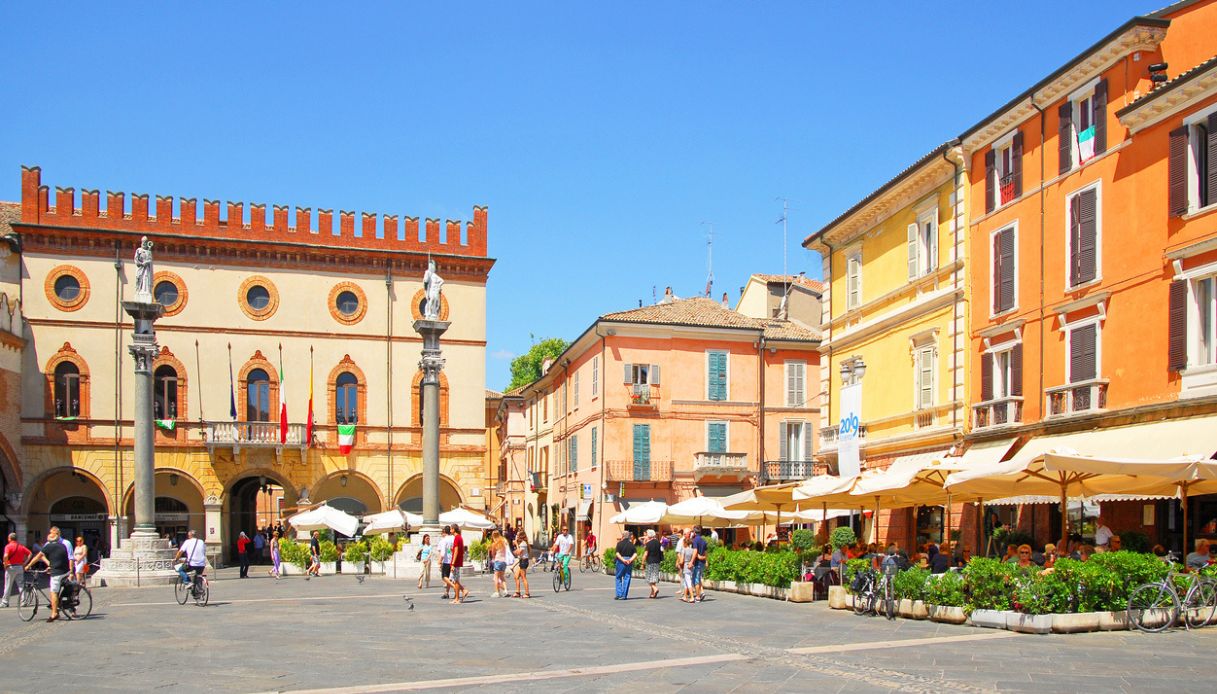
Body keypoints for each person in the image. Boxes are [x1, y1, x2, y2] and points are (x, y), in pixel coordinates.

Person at [24, 526, 74, 622]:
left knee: (53, 592)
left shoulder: (64, 543)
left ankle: (54, 613)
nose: (49, 534)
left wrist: (28, 565)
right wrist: (50, 565)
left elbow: (39, 556)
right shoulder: (61, 545)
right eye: (50, 532)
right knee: (60, 589)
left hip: (58, 572)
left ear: (57, 534)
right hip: (63, 570)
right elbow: (53, 557)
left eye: (52, 533)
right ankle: (58, 605)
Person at [2, 533, 32, 608]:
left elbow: (5, 556)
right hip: (19, 567)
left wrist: (5, 564)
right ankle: (24, 601)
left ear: (9, 538)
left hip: (11, 567)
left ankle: (5, 602)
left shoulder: (8, 546)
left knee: (8, 585)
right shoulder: (21, 546)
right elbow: (30, 554)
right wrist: (25, 563)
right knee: (21, 585)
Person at [613, 531, 636, 600]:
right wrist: (630, 560)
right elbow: (635, 554)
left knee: (618, 577)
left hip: (621, 561)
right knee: (627, 577)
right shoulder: (631, 544)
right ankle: (624, 595)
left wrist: (623, 560)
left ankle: (619, 594)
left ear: (622, 536)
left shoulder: (619, 544)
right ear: (629, 536)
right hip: (629, 561)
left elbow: (617, 554)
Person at [449, 523, 468, 604]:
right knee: (455, 580)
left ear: (453, 529)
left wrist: (453, 563)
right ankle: (463, 591)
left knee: (456, 581)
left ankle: (457, 598)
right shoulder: (460, 537)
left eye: (451, 529)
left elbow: (456, 551)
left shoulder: (457, 538)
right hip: (458, 561)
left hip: (456, 562)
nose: (450, 530)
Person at [677, 529, 697, 603]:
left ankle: (692, 597)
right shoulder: (692, 550)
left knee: (688, 582)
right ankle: (685, 596)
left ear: (685, 543)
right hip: (691, 566)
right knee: (686, 582)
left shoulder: (684, 550)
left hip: (686, 566)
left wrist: (679, 563)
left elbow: (682, 560)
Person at [691, 525, 709, 603]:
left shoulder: (695, 540)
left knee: (696, 580)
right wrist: (706, 561)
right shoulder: (703, 541)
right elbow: (705, 552)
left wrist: (691, 561)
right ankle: (701, 592)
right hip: (702, 563)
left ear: (694, 532)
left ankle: (697, 596)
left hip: (697, 563)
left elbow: (695, 551)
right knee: (698, 578)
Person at [643, 529, 663, 599]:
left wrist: (642, 563)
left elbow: (645, 554)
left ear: (649, 535)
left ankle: (655, 589)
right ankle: (652, 593)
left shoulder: (648, 544)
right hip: (657, 561)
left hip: (650, 561)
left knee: (649, 578)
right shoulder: (658, 543)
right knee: (653, 577)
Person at [489, 530, 509, 598]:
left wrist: (494, 558)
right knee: (502, 577)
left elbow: (493, 553)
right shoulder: (504, 541)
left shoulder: (495, 543)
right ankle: (505, 590)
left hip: (498, 560)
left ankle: (497, 592)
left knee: (496, 577)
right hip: (504, 561)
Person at [439, 526, 455, 599]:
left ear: (444, 531)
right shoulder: (454, 538)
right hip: (453, 560)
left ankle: (455, 588)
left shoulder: (444, 540)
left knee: (444, 577)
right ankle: (447, 593)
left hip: (446, 561)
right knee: (450, 578)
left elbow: (442, 553)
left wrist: (439, 560)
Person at [513, 533, 531, 598]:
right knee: (516, 576)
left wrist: (516, 544)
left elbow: (519, 552)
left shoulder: (523, 544)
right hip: (521, 561)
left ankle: (527, 593)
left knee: (523, 578)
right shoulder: (522, 543)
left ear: (521, 537)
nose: (516, 537)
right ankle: (518, 592)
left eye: (517, 536)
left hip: (524, 561)